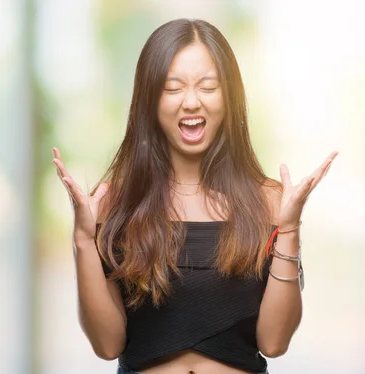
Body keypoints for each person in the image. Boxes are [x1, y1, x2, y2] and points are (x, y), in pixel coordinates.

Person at [52, 18, 337, 374]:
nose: (191, 102)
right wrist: (83, 240)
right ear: (149, 100)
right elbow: (107, 345)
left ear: (229, 96)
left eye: (207, 86)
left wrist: (290, 229)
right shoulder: (114, 203)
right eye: (172, 88)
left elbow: (274, 342)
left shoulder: (268, 201)